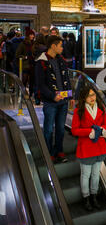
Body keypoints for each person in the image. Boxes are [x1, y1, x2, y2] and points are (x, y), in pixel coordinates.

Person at [35, 35, 75, 163]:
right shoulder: (41, 62)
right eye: (60, 46)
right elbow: (40, 84)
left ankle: (59, 151)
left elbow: (66, 79)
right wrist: (53, 96)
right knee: (48, 129)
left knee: (60, 128)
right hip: (50, 102)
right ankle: (49, 152)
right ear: (53, 46)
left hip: (63, 101)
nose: (62, 48)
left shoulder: (61, 60)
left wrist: (71, 96)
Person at [71, 86, 106, 211]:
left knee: (95, 175)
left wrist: (103, 130)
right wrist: (90, 131)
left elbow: (105, 123)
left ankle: (94, 197)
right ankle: (86, 198)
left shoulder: (101, 108)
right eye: (89, 95)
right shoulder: (78, 111)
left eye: (93, 95)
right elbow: (74, 130)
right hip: (86, 148)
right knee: (86, 174)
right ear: (84, 98)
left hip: (99, 146)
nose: (92, 98)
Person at [15, 27, 35, 97]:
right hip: (25, 65)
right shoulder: (23, 44)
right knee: (24, 80)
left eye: (33, 35)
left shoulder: (34, 44)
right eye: (31, 35)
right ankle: (22, 94)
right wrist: (25, 57)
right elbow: (17, 55)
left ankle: (30, 94)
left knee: (32, 81)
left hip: (33, 65)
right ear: (28, 35)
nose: (32, 36)